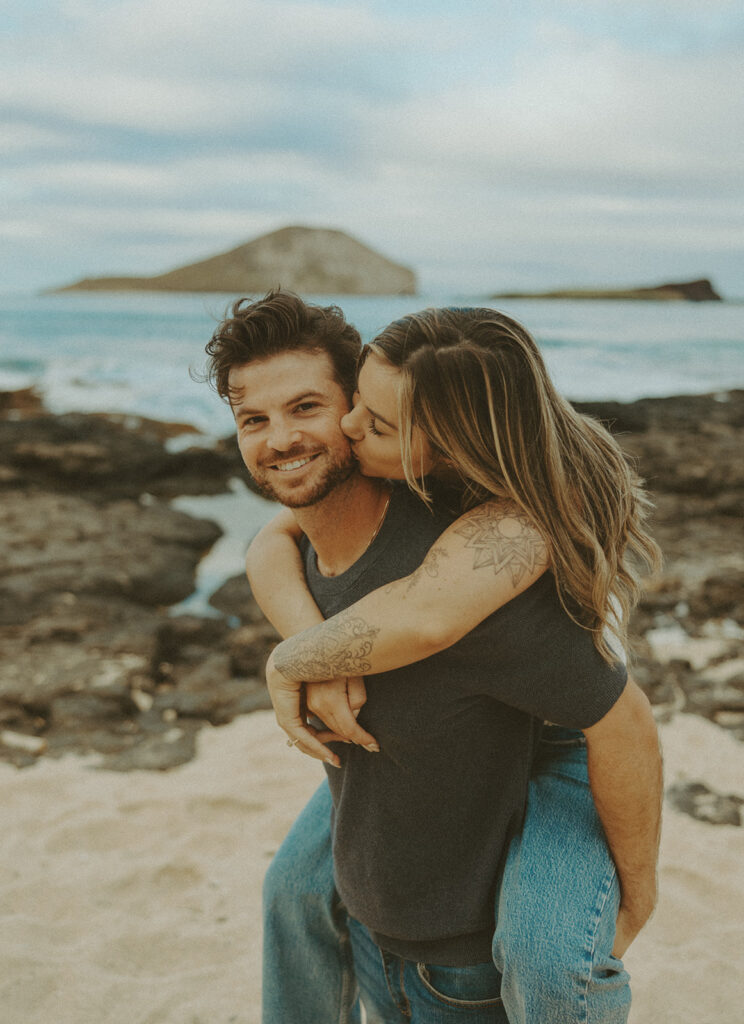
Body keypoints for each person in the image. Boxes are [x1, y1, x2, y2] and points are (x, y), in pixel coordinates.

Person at [204, 292, 663, 1024]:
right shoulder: (342, 506)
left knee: (549, 958)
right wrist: (312, 649)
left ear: (431, 440)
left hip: (561, 743)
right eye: (252, 419)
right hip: (413, 829)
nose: (287, 438)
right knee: (292, 893)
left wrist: (638, 891)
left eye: (317, 409)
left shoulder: (493, 551)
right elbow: (275, 538)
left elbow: (429, 617)